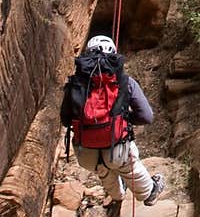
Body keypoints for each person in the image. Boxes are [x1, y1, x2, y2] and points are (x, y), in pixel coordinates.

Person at [60, 34, 164, 206]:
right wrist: (125, 119)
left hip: (86, 154)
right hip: (117, 149)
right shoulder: (125, 82)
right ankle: (149, 192)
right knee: (126, 163)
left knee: (103, 167)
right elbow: (146, 116)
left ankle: (117, 194)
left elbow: (65, 119)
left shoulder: (74, 84)